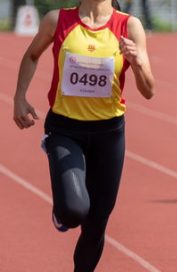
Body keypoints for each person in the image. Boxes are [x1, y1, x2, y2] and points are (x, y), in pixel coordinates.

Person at [12, 0, 155, 270]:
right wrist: (19, 97)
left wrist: (136, 61)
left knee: (97, 222)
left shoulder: (129, 26)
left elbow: (149, 90)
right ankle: (62, 211)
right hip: (65, 129)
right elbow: (32, 55)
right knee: (74, 210)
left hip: (109, 133)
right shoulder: (57, 21)